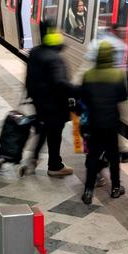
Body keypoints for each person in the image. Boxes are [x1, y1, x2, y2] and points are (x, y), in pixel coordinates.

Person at [80, 42, 128, 204]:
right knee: (114, 158)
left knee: (93, 157)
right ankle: (115, 188)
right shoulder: (118, 75)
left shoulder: (88, 75)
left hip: (93, 124)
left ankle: (88, 191)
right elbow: (122, 97)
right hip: (111, 124)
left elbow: (84, 97)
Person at [25, 22, 74, 177]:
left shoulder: (35, 52)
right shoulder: (54, 59)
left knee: (44, 129)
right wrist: (77, 91)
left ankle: (33, 159)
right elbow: (60, 83)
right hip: (54, 105)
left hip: (39, 102)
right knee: (54, 134)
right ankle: (55, 166)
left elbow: (29, 78)